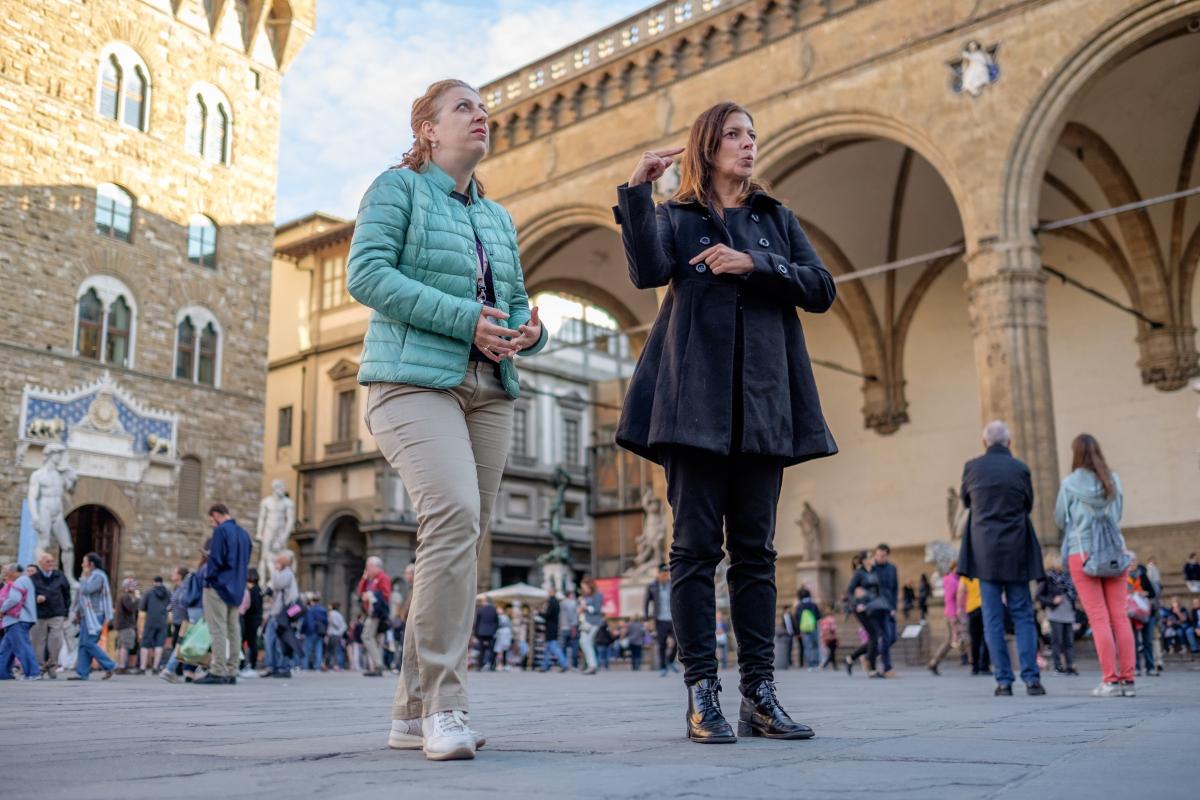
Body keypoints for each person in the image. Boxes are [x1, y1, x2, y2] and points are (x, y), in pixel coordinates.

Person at [613, 101, 835, 744]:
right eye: (735, 135)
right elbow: (647, 271)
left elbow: (821, 287)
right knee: (692, 551)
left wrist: (754, 264)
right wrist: (635, 191)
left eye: (753, 135)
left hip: (764, 402)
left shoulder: (775, 219)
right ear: (707, 146)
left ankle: (760, 694)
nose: (749, 145)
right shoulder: (677, 218)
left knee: (757, 553)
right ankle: (701, 691)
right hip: (693, 403)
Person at [349, 79, 546, 763]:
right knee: (455, 516)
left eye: (483, 108)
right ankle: (444, 705)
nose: (480, 114)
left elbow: (516, 301)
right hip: (409, 381)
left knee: (458, 540)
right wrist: (466, 319)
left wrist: (528, 332)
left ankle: (408, 713)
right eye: (463, 106)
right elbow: (367, 275)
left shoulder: (498, 218)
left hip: (489, 387)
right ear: (427, 129)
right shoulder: (395, 189)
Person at [957, 420, 1046, 697]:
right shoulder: (1021, 468)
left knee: (993, 618)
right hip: (1017, 549)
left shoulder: (972, 468)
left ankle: (1003, 681)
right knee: (1023, 615)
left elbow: (966, 502)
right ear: (1009, 442)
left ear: (984, 442)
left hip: (984, 552)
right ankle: (1032, 679)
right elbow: (1028, 504)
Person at [1054, 433, 1135, 697]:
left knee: (1098, 618)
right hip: (1114, 551)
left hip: (1083, 554)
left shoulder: (1069, 484)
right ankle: (1129, 681)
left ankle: (1110, 681)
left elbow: (1059, 519)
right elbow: (1119, 513)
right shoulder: (1114, 480)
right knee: (1120, 617)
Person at [197, 503, 252, 685]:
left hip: (219, 586)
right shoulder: (244, 534)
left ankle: (217, 670)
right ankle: (232, 670)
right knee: (233, 628)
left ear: (216, 515)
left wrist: (209, 578)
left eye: (211, 520)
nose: (212, 524)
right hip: (237, 586)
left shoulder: (221, 532)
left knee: (218, 628)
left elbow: (216, 559)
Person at [68, 552, 116, 680]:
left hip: (95, 615)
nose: (82, 564)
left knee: (89, 642)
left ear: (91, 564)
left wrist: (83, 579)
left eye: (84, 561)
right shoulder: (90, 576)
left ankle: (110, 665)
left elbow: (87, 590)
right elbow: (81, 596)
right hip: (86, 615)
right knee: (83, 644)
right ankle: (82, 673)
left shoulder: (98, 577)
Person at [844, 551, 889, 679]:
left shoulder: (874, 572)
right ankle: (872, 670)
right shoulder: (859, 573)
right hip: (861, 609)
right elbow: (850, 591)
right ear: (864, 560)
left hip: (872, 607)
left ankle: (851, 658)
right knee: (874, 635)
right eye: (870, 557)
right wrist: (856, 604)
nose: (873, 558)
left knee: (875, 636)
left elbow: (878, 591)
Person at [30, 551, 70, 679]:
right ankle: (40, 667)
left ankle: (52, 665)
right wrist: (36, 598)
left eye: (52, 561)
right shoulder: (33, 578)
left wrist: (66, 612)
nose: (51, 564)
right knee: (38, 642)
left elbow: (66, 594)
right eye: (48, 561)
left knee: (56, 641)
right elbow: (28, 595)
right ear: (40, 563)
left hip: (56, 613)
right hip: (39, 614)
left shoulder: (60, 576)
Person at [1037, 555, 1078, 675]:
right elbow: (1039, 596)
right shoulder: (1048, 578)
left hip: (1068, 613)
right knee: (1057, 641)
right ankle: (1058, 666)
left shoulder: (1068, 578)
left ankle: (1070, 666)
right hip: (1055, 613)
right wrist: (1052, 600)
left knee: (1069, 641)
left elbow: (1073, 594)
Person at [0, 563, 40, 679]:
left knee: (22, 647)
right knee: (6, 649)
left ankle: (33, 673)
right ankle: (3, 673)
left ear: (14, 572)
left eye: (7, 570)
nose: (5, 572)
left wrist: (2, 610)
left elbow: (14, 598)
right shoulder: (24, 580)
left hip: (17, 620)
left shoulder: (20, 581)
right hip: (16, 620)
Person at [264, 551, 300, 678]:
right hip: (275, 613)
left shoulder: (287, 574)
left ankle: (284, 667)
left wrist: (274, 571)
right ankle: (272, 666)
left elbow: (278, 584)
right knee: (269, 640)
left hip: (283, 614)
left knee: (281, 641)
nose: (275, 564)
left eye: (278, 561)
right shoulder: (280, 574)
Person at [356, 557, 392, 677]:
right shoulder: (371, 580)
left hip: (376, 613)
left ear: (376, 566)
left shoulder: (382, 578)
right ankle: (377, 666)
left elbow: (386, 595)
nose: (367, 569)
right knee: (376, 639)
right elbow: (359, 593)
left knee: (366, 636)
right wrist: (364, 579)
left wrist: (372, 595)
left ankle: (378, 665)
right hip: (371, 612)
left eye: (369, 566)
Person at [928, 561, 963, 675]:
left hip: (952, 613)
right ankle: (976, 663)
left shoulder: (955, 579)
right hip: (952, 614)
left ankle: (934, 662)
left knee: (949, 641)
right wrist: (953, 615)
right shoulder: (952, 580)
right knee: (960, 639)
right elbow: (949, 599)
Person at [1128, 557, 1160, 677]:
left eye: (1133, 561)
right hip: (1131, 614)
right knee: (1133, 643)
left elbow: (1152, 592)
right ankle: (1135, 668)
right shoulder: (1123, 578)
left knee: (1148, 641)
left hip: (1146, 613)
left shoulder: (1143, 575)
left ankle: (1150, 667)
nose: (1131, 564)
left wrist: (1143, 593)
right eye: (1129, 562)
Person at [644, 564, 677, 676]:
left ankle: (670, 661)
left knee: (678, 641)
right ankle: (663, 667)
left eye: (667, 573)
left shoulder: (672, 584)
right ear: (658, 573)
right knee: (662, 644)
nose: (665, 575)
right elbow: (646, 603)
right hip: (660, 619)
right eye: (663, 573)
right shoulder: (652, 586)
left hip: (673, 618)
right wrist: (646, 620)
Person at [871, 544, 898, 676]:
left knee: (893, 637)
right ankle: (887, 667)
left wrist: (894, 607)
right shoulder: (870, 568)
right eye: (878, 555)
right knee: (886, 637)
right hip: (877, 608)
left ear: (887, 555)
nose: (880, 558)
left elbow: (895, 589)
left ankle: (869, 655)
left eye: (883, 555)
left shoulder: (892, 569)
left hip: (889, 607)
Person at [139, 576, 171, 674]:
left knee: (145, 644)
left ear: (154, 582)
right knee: (159, 644)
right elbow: (171, 605)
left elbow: (142, 607)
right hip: (162, 621)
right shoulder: (168, 593)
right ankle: (155, 667)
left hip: (150, 621)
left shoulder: (149, 592)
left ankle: (143, 667)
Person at [960, 574, 990, 675]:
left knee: (974, 639)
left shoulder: (966, 575)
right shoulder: (983, 571)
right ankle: (984, 665)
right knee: (986, 637)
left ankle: (975, 666)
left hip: (972, 609)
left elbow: (960, 591)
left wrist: (959, 608)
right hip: (985, 607)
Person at [578, 578, 604, 675]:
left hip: (594, 622)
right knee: (584, 642)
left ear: (590, 586)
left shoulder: (597, 595)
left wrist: (586, 608)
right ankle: (591, 665)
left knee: (586, 642)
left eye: (584, 587)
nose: (583, 589)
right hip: (586, 622)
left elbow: (597, 609)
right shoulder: (587, 596)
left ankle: (592, 665)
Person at [241, 568, 264, 675]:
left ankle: (251, 665)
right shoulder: (257, 589)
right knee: (250, 642)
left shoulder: (254, 590)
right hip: (254, 619)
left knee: (251, 642)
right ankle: (248, 664)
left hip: (251, 619)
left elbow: (251, 605)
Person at [114, 578, 140, 673]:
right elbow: (131, 608)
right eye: (133, 586)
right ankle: (122, 667)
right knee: (124, 646)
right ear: (127, 587)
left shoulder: (121, 596)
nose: (135, 588)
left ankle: (117, 665)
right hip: (126, 625)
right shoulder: (126, 597)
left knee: (120, 646)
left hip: (121, 625)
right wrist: (137, 599)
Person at [539, 592, 569, 672]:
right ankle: (544, 666)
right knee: (548, 648)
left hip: (550, 628)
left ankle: (564, 663)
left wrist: (539, 613)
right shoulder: (557, 603)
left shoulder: (552, 602)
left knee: (553, 646)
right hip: (554, 627)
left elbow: (548, 615)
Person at [794, 589, 821, 670]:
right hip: (814, 627)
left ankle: (810, 665)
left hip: (804, 629)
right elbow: (818, 616)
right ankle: (816, 664)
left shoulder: (799, 606)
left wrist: (797, 631)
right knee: (815, 646)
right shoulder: (813, 604)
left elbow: (797, 619)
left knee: (807, 647)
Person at [302, 593, 328, 671]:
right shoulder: (323, 610)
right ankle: (317, 667)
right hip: (320, 632)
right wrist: (325, 631)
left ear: (312, 601)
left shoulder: (310, 610)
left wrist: (302, 631)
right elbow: (326, 622)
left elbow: (306, 621)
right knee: (318, 649)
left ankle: (305, 666)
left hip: (311, 631)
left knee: (307, 650)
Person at [473, 596, 499, 672]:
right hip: (491, 632)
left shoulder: (480, 610)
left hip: (481, 632)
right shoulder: (494, 610)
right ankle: (491, 665)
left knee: (481, 649)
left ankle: (480, 665)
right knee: (491, 649)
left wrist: (476, 633)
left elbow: (477, 623)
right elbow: (497, 622)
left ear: (484, 602)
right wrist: (494, 630)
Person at [560, 590, 579, 669]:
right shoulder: (572, 603)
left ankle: (564, 664)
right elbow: (571, 615)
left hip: (563, 627)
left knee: (563, 646)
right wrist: (573, 624)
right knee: (574, 645)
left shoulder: (562, 603)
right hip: (572, 627)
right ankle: (574, 664)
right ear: (570, 595)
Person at [327, 600, 348, 670]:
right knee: (336, 650)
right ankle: (337, 665)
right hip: (338, 635)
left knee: (329, 650)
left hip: (332, 634)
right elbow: (344, 626)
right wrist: (340, 632)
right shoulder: (340, 615)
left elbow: (331, 623)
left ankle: (328, 664)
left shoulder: (331, 613)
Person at [818, 604, 839, 670]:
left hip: (825, 637)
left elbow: (822, 629)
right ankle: (826, 664)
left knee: (831, 652)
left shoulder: (823, 620)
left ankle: (831, 665)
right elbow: (833, 629)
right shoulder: (832, 620)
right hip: (831, 638)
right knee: (832, 652)